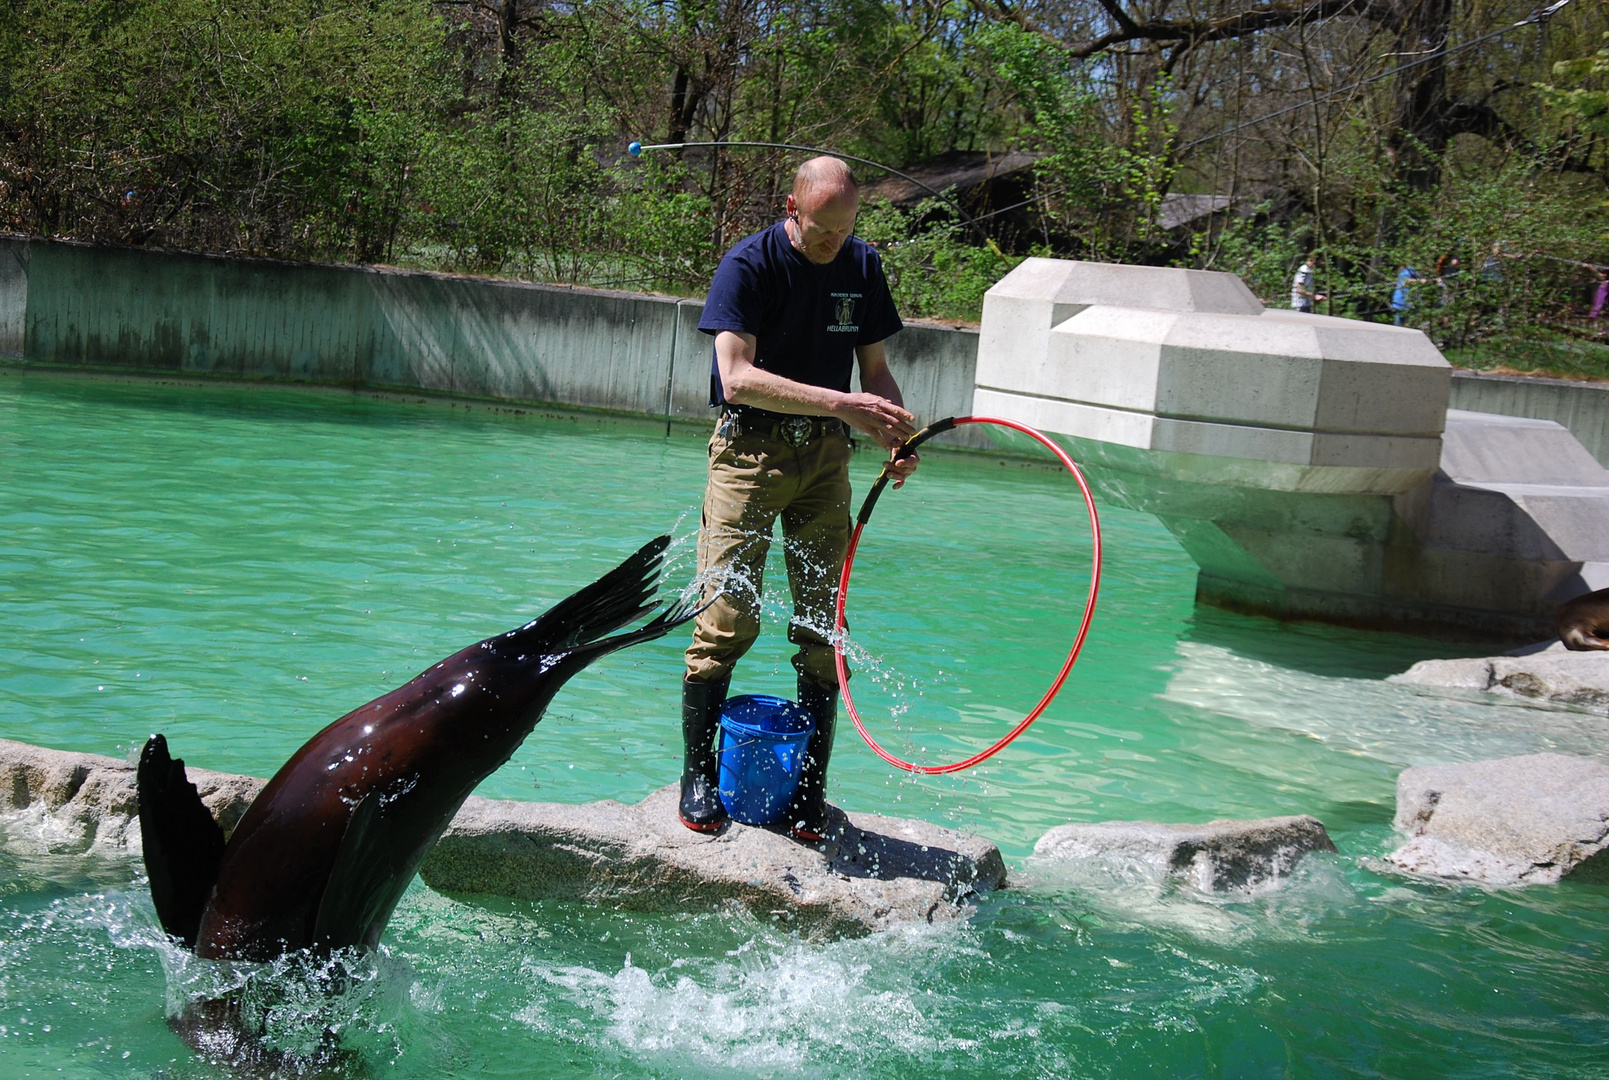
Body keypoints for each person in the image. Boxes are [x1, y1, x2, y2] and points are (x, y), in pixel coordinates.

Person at [679, 156, 920, 841]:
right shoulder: (748, 265)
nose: (831, 245)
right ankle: (699, 779)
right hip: (749, 455)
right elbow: (736, 377)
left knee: (824, 629)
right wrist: (844, 403)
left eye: (844, 231)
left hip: (825, 463)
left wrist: (896, 432)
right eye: (821, 230)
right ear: (793, 207)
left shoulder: (862, 267)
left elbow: (876, 372)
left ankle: (809, 790)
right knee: (723, 619)